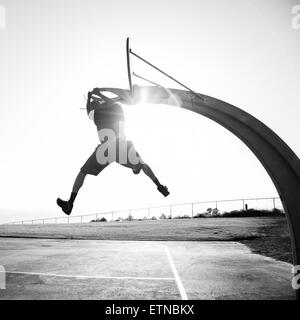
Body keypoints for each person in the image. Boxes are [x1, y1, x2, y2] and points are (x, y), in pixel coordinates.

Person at [57, 88, 169, 215]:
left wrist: (94, 96)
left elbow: (97, 108)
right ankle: (70, 203)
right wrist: (92, 97)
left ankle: (70, 203)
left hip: (110, 149)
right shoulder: (109, 111)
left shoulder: (108, 111)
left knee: (83, 172)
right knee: (141, 164)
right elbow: (93, 109)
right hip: (117, 149)